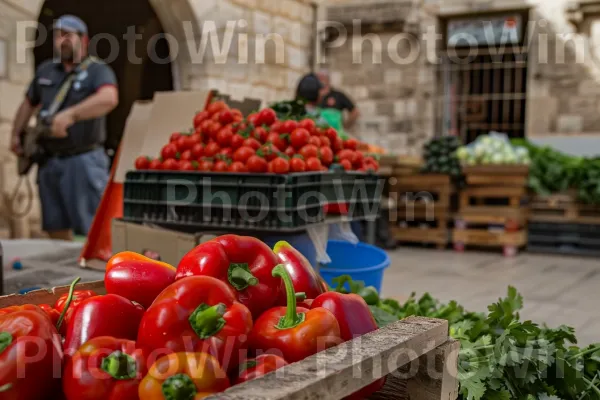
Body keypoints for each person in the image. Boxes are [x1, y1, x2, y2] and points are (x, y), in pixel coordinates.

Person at [10, 15, 119, 240]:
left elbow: (109, 98)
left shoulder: (97, 71)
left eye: (68, 35)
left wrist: (71, 114)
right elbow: (28, 104)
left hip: (83, 160)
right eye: (58, 35)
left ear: (84, 40)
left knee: (92, 227)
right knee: (54, 226)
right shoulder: (46, 71)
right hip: (50, 161)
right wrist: (15, 135)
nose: (62, 40)